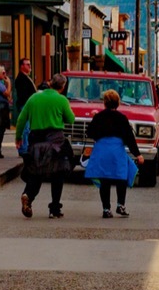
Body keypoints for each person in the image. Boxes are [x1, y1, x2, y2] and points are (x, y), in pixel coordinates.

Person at [15, 74, 76, 219]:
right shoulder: (61, 100)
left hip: (36, 140)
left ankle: (28, 195)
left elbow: (21, 119)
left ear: (50, 83)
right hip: (55, 141)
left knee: (36, 171)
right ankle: (54, 208)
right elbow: (71, 119)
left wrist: (18, 137)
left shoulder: (34, 98)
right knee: (58, 173)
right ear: (63, 86)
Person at [84, 89, 144, 218]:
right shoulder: (122, 118)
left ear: (105, 103)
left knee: (104, 180)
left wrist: (94, 119)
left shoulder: (99, 117)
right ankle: (120, 205)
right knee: (121, 178)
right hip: (117, 151)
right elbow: (129, 137)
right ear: (118, 103)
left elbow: (90, 133)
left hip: (101, 150)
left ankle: (106, 209)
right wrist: (138, 154)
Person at [13, 58, 37, 125]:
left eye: (30, 64)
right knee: (27, 127)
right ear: (22, 66)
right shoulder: (21, 78)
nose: (30, 66)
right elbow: (24, 95)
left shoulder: (26, 77)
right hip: (25, 105)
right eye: (27, 64)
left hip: (28, 105)